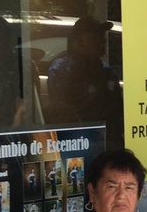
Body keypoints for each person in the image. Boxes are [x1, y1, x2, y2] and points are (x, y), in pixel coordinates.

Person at [48, 16, 123, 144]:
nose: (102, 41)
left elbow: (117, 112)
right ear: (79, 43)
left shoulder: (107, 72)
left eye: (102, 37)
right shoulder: (62, 69)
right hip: (75, 142)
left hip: (107, 142)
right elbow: (62, 113)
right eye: (94, 38)